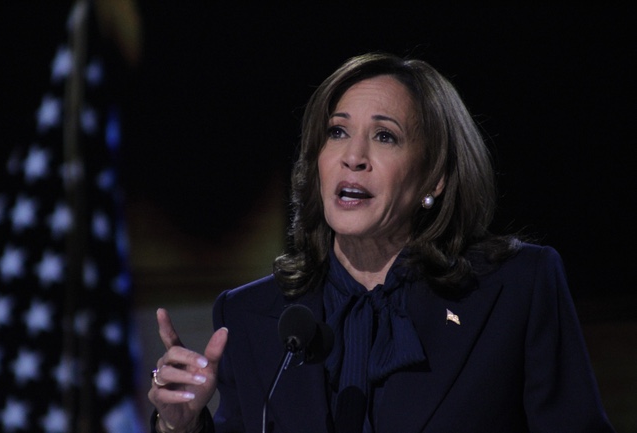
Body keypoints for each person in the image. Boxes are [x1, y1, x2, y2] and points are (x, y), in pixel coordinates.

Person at [147, 52, 615, 432]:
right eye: (337, 131)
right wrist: (181, 427)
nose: (354, 157)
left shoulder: (516, 290)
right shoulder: (251, 315)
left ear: (434, 178)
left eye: (385, 136)